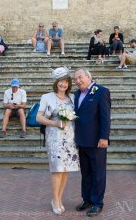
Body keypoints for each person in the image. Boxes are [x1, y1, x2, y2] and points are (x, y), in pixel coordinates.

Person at [36, 67, 80, 215]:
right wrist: (56, 123)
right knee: (57, 170)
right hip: (54, 138)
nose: (63, 84)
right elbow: (39, 117)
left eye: (66, 81)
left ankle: (59, 199)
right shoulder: (47, 97)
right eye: (61, 81)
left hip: (70, 139)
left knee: (65, 170)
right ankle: (55, 200)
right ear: (56, 82)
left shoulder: (73, 98)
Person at [74, 69, 111, 217]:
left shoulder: (101, 91)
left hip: (97, 141)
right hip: (82, 141)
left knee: (97, 173)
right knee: (86, 173)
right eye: (75, 78)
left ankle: (97, 203)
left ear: (88, 77)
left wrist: (104, 137)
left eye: (80, 77)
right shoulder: (77, 93)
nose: (77, 81)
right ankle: (87, 199)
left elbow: (106, 117)